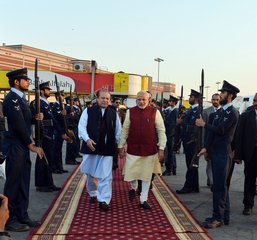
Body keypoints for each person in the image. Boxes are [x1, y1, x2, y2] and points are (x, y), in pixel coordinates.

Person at [3, 68, 44, 232]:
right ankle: (9, 219)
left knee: (23, 182)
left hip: (22, 146)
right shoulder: (12, 99)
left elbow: (25, 121)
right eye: (25, 80)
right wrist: (31, 144)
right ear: (16, 82)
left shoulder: (22, 99)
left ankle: (21, 214)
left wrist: (35, 118)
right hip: (15, 146)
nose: (28, 82)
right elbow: (18, 125)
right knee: (13, 184)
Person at [196, 80, 240, 228]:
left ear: (230, 95)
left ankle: (218, 218)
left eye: (222, 92)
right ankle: (222, 216)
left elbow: (221, 130)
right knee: (220, 187)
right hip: (216, 152)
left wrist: (204, 124)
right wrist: (206, 148)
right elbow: (212, 133)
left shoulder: (232, 112)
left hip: (223, 154)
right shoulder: (221, 112)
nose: (220, 94)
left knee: (220, 188)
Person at [118, 91, 166, 209]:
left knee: (146, 175)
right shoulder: (130, 112)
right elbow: (125, 130)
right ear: (136, 100)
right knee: (132, 171)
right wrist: (120, 145)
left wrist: (161, 148)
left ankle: (143, 199)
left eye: (143, 99)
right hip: (133, 148)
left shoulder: (156, 113)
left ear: (148, 100)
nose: (141, 101)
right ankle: (133, 187)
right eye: (139, 99)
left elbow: (161, 131)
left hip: (149, 149)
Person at [78, 90, 121, 211]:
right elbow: (81, 127)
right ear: (97, 99)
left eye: (107, 99)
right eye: (103, 98)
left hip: (107, 148)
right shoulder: (88, 111)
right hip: (91, 146)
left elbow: (118, 130)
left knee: (106, 175)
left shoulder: (113, 113)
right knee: (90, 174)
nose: (105, 100)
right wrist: (87, 139)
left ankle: (104, 200)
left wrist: (119, 145)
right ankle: (93, 193)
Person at [31, 81, 62, 192]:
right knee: (42, 159)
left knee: (48, 158)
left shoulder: (46, 103)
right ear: (42, 91)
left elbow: (52, 120)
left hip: (48, 134)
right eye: (48, 90)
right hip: (42, 135)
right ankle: (41, 184)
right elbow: (34, 118)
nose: (49, 92)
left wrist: (61, 131)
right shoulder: (37, 103)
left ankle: (49, 183)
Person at [234, 93, 257, 216]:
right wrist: (238, 155)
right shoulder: (246, 116)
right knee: (249, 180)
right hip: (251, 154)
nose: (255, 102)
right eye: (254, 100)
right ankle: (248, 205)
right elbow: (239, 136)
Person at [176, 89, 201, 194]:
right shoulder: (191, 109)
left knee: (191, 164)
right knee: (192, 164)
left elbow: (194, 126)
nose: (189, 98)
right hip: (187, 140)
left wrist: (182, 123)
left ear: (195, 98)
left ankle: (189, 186)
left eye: (191, 97)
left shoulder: (198, 110)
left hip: (192, 140)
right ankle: (194, 185)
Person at [202, 93, 221, 188]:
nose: (215, 101)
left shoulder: (224, 111)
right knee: (209, 164)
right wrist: (204, 145)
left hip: (220, 143)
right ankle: (212, 183)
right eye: (213, 99)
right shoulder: (206, 111)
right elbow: (204, 130)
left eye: (217, 100)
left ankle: (212, 181)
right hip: (209, 142)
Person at [51, 91, 71, 174]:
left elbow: (64, 119)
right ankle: (55, 167)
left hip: (61, 130)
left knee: (59, 150)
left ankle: (60, 167)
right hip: (57, 131)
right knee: (56, 150)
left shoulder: (61, 106)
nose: (63, 97)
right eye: (62, 96)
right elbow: (56, 119)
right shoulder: (56, 106)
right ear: (57, 97)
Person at [162, 95, 179, 176]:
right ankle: (172, 168)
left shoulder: (175, 111)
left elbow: (174, 124)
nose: (169, 102)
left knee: (170, 153)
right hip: (168, 133)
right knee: (170, 152)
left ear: (174, 102)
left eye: (171, 101)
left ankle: (170, 169)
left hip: (171, 133)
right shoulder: (169, 110)